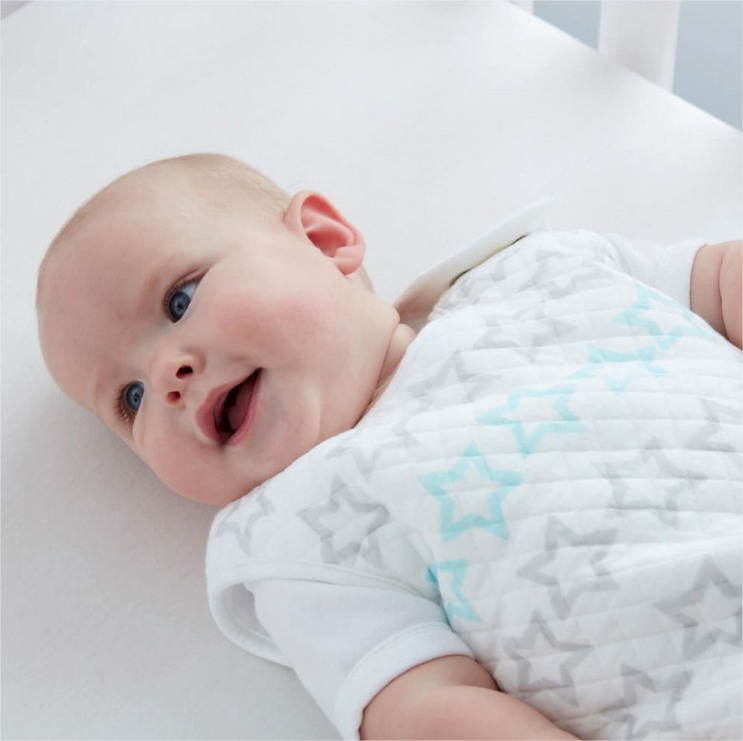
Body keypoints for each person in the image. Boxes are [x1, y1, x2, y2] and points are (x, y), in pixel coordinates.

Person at [37, 153, 742, 740]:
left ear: (323, 240)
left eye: (180, 301)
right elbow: (423, 708)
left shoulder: (533, 272)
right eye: (130, 398)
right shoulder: (298, 536)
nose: (166, 375)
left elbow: (719, 279)